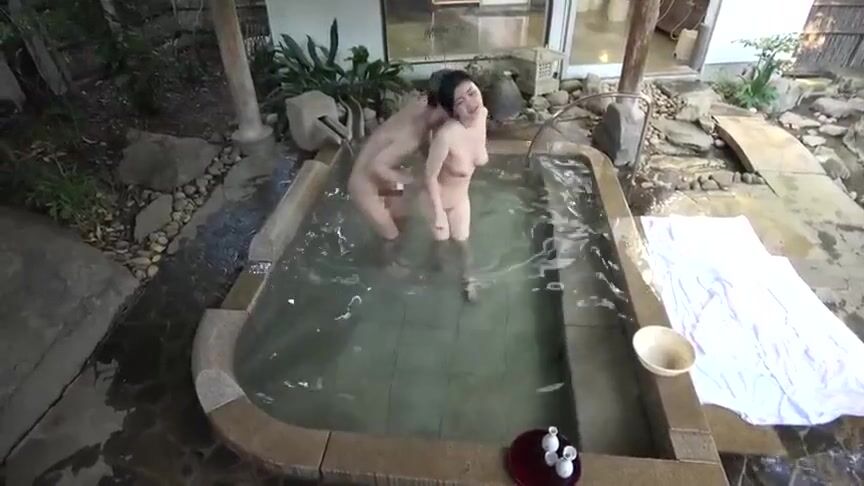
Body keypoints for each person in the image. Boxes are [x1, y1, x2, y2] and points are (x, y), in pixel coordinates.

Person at [347, 87, 449, 262]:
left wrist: (432, 171)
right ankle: (383, 269)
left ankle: (384, 247)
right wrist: (409, 180)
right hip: (366, 188)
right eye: (449, 113)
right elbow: (376, 166)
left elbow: (426, 138)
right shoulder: (410, 137)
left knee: (403, 222)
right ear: (438, 105)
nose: (449, 120)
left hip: (386, 182)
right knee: (392, 237)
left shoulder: (421, 107)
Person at [423, 70, 489, 302]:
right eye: (461, 102)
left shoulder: (483, 114)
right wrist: (438, 213)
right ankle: (432, 273)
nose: (471, 103)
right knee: (441, 248)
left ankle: (468, 280)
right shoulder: (446, 136)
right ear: (453, 111)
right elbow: (429, 176)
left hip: (460, 199)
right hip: (437, 201)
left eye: (472, 92)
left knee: (463, 244)